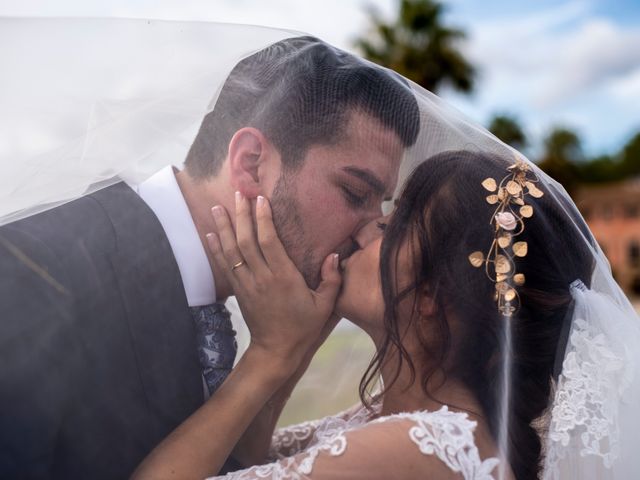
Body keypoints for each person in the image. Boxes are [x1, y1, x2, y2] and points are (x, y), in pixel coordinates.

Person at [0, 35, 419, 478]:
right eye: (355, 193)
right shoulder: (34, 270)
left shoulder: (242, 319)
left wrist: (287, 353)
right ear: (253, 163)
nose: (370, 234)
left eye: (382, 206)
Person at [134, 149, 638, 479]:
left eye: (392, 224)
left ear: (429, 293)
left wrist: (270, 353)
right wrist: (298, 341)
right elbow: (242, 458)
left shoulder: (422, 448)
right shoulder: (397, 419)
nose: (361, 230)